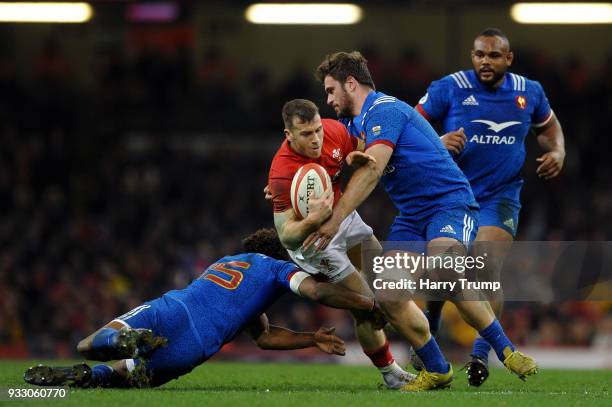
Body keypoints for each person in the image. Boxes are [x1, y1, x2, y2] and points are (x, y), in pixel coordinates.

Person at [311, 51, 538, 390]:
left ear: (351, 84)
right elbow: (320, 157)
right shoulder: (350, 125)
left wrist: (335, 221)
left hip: (450, 204)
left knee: (446, 269)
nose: (328, 99)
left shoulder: (383, 110)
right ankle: (437, 368)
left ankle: (506, 350)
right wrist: (283, 186)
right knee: (389, 290)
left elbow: (372, 169)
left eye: (331, 91)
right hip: (412, 217)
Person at [24, 229, 383, 389]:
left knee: (89, 345)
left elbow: (264, 335)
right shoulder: (278, 269)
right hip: (193, 346)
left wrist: (311, 337)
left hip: (172, 308)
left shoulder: (229, 262)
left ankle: (103, 356)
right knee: (125, 376)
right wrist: (367, 302)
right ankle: (103, 371)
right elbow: (318, 293)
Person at [415, 28, 565, 386]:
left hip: (500, 197)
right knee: (443, 272)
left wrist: (557, 151)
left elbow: (550, 129)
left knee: (484, 264)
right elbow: (408, 127)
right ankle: (430, 338)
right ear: (472, 56)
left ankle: (480, 355)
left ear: (508, 59)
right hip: (453, 195)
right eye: (479, 55)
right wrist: (437, 140)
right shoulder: (448, 87)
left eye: (494, 55)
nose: (485, 61)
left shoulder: (529, 92)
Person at [267, 99, 414, 390]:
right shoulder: (282, 173)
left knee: (389, 283)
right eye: (306, 134)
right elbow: (287, 237)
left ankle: (422, 352)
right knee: (366, 307)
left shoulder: (333, 131)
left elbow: (364, 144)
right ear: (289, 136)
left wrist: (356, 154)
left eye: (317, 130)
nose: (316, 139)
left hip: (343, 216)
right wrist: (313, 220)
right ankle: (391, 374)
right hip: (314, 243)